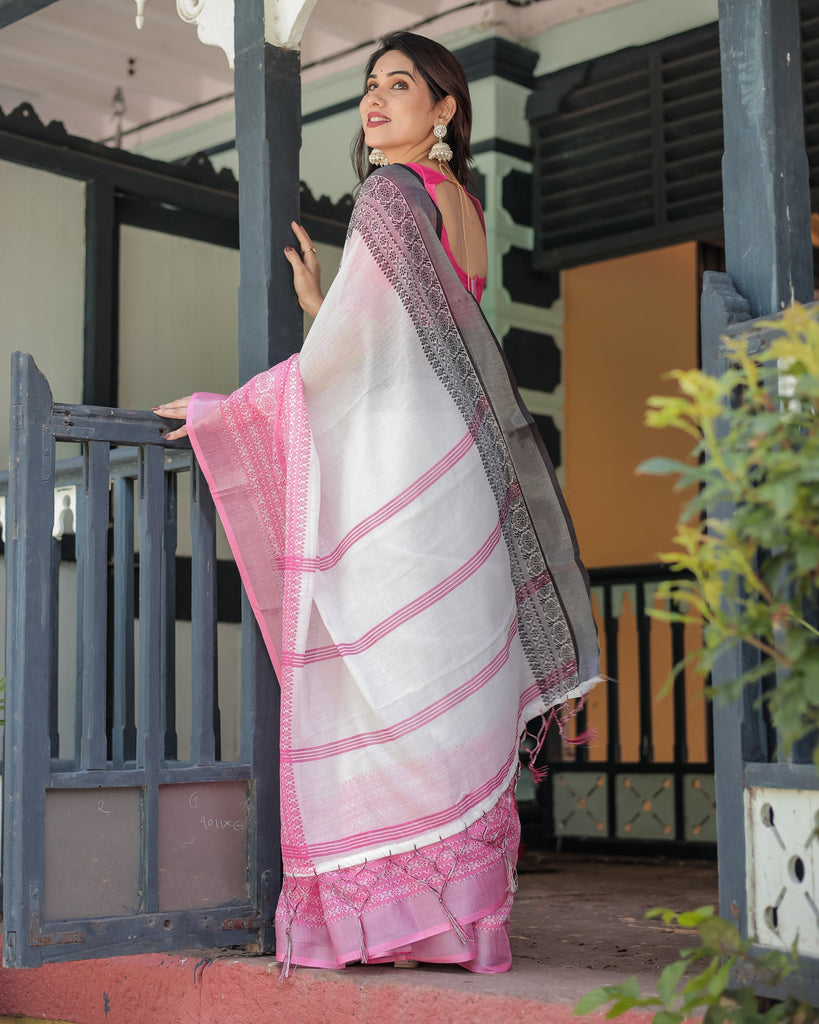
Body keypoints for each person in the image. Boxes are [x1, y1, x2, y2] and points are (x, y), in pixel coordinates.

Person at [154, 31, 600, 975]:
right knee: (442, 690)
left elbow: (357, 363)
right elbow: (396, 341)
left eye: (399, 85)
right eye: (368, 86)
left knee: (383, 679)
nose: (375, 100)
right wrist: (327, 306)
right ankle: (459, 927)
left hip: (405, 477)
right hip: (459, 480)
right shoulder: (460, 206)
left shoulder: (391, 197)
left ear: (444, 109)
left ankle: (386, 924)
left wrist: (221, 414)